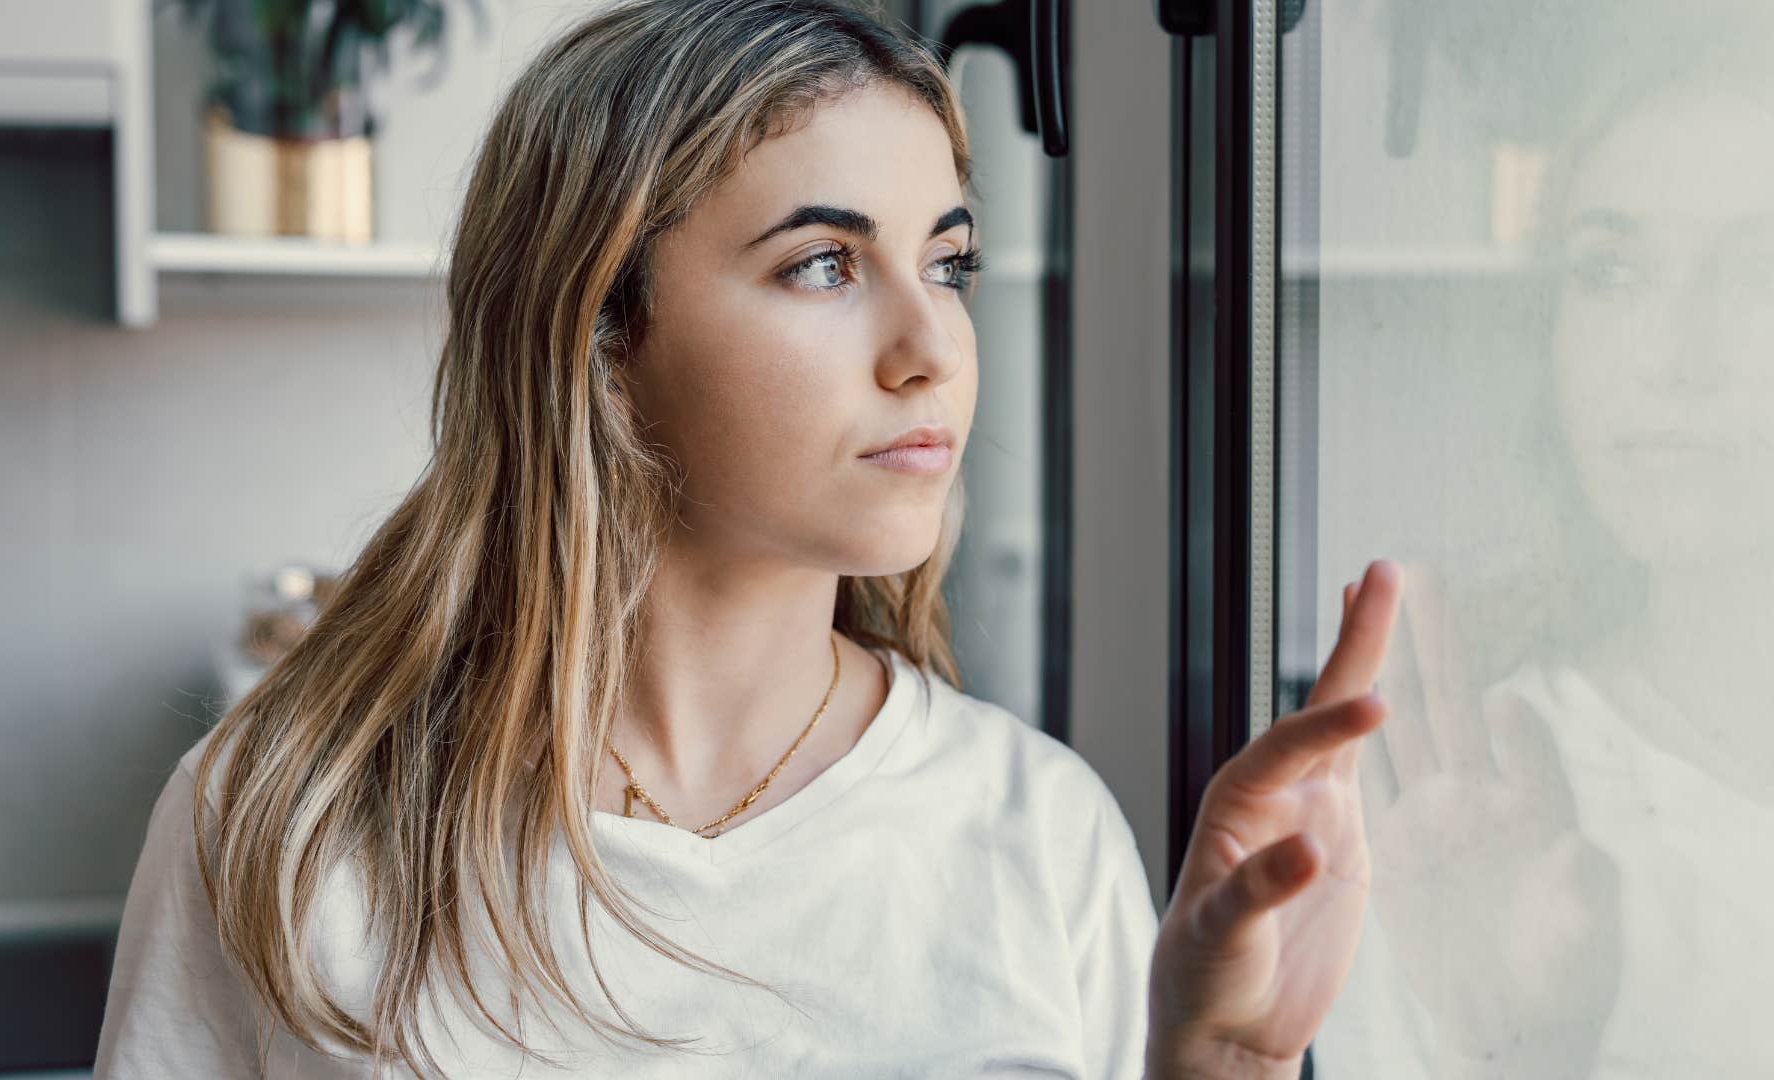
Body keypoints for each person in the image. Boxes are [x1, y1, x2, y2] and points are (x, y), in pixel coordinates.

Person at [91, 0, 1402, 1076]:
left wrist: (1211, 1071)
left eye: (948, 264)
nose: (931, 349)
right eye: (824, 264)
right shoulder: (279, 827)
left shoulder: (1037, 832)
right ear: (603, 337)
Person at [1317, 32, 1774, 1080]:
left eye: (1758, 271)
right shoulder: (1464, 805)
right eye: (1610, 270)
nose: (1673, 353)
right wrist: (1512, 1050)